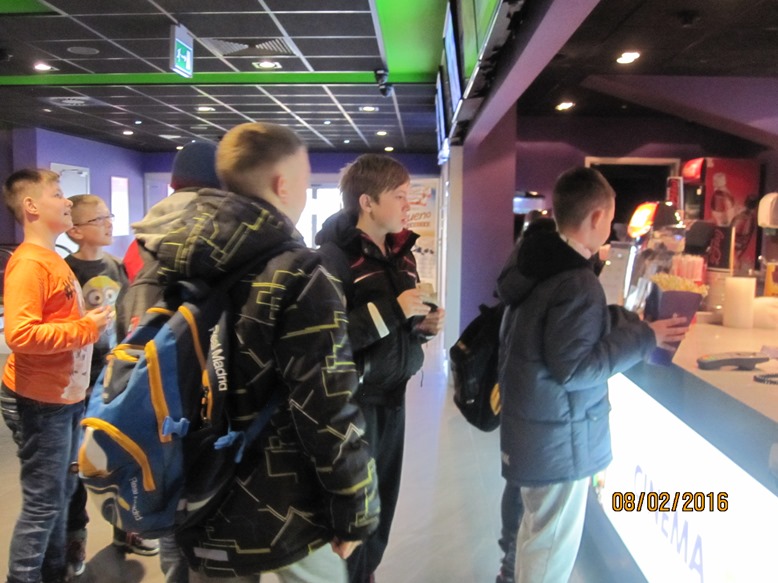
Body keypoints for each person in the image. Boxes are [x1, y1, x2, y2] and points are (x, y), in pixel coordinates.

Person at [152, 122, 379, 582]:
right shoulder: (300, 272)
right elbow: (325, 403)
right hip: (285, 510)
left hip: (199, 489)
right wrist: (355, 505)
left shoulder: (175, 256)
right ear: (283, 184)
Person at [496, 166, 689, 583]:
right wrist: (645, 337)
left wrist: (620, 321)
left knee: (536, 536)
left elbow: (556, 332)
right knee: (550, 548)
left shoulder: (535, 262)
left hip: (537, 431)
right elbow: (577, 368)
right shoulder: (576, 280)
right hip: (560, 438)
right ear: (597, 217)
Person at [315, 154, 445, 583]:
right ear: (368, 202)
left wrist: (421, 329)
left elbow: (398, 330)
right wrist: (393, 310)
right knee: (352, 511)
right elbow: (327, 341)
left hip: (394, 399)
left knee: (381, 508)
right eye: (400, 196)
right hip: (354, 405)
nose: (409, 205)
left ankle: (366, 574)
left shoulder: (401, 255)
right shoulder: (333, 260)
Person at [118, 141, 221, 583]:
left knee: (166, 505)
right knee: (202, 516)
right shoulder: (217, 234)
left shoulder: (141, 237)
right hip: (201, 394)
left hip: (145, 392)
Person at [1, 169, 111, 583]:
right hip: (41, 401)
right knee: (44, 502)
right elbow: (20, 335)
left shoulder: (51, 259)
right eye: (58, 193)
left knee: (60, 494)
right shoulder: (30, 264)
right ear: (31, 205)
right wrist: (87, 328)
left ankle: (53, 572)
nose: (67, 201)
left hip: (64, 397)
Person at [62, 194, 157, 577]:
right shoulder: (65, 271)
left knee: (119, 456)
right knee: (75, 466)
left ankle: (127, 529)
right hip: (76, 381)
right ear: (75, 230)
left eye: (108, 216)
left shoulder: (117, 266)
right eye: (98, 218)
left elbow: (126, 317)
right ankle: (75, 539)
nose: (108, 223)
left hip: (113, 376)